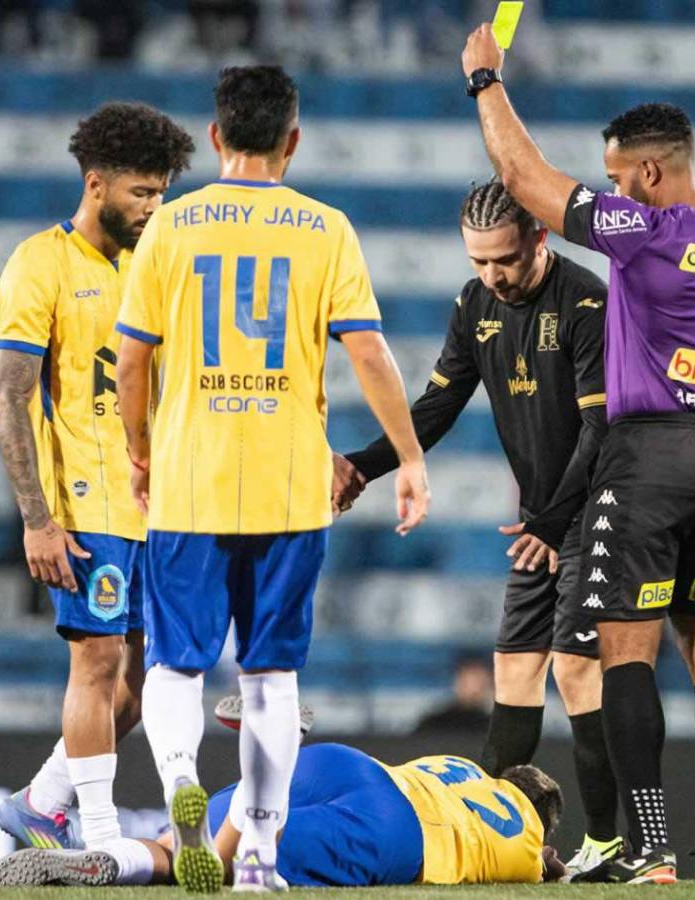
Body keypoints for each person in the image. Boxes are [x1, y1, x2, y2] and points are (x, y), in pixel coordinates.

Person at [461, 26, 695, 885]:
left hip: (646, 460)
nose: (612, 189)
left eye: (615, 175)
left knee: (626, 654)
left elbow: (523, 182)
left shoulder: (643, 232)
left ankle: (650, 846)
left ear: (649, 172)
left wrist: (485, 82)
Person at [114, 65, 430, 893]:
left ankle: (182, 779)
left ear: (215, 137)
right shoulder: (325, 229)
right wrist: (412, 456)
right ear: (293, 140)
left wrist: (140, 449)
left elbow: (132, 360)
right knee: (270, 675)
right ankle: (255, 849)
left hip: (191, 474)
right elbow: (369, 352)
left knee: (176, 665)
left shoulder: (172, 225)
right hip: (290, 483)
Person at [332, 177, 620, 874]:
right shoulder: (474, 306)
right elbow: (437, 404)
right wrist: (365, 467)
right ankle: (501, 842)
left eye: (504, 261)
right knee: (515, 671)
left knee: (581, 673)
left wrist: (551, 522)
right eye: (477, 263)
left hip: (598, 511)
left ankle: (610, 846)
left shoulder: (587, 303)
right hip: (541, 520)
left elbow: (600, 426)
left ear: (539, 239)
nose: (492, 276)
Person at [0, 104, 194, 860]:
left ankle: (41, 803)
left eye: (162, 193)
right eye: (142, 193)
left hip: (162, 504)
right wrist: (37, 518)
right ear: (96, 182)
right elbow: (10, 399)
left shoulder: (158, 262)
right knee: (97, 662)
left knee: (144, 684)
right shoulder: (39, 265)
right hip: (86, 501)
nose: (153, 208)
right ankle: (98, 840)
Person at [0, 743, 564, 888]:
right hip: (402, 831)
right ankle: (136, 863)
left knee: (188, 837)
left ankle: (115, 856)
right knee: (228, 861)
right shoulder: (527, 837)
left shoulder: (463, 766)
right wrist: (550, 865)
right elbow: (542, 864)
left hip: (354, 767)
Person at [413, 653, 495, 734]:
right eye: (466, 682)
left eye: (479, 682)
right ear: (456, 682)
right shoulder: (435, 723)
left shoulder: (494, 727)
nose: (474, 689)